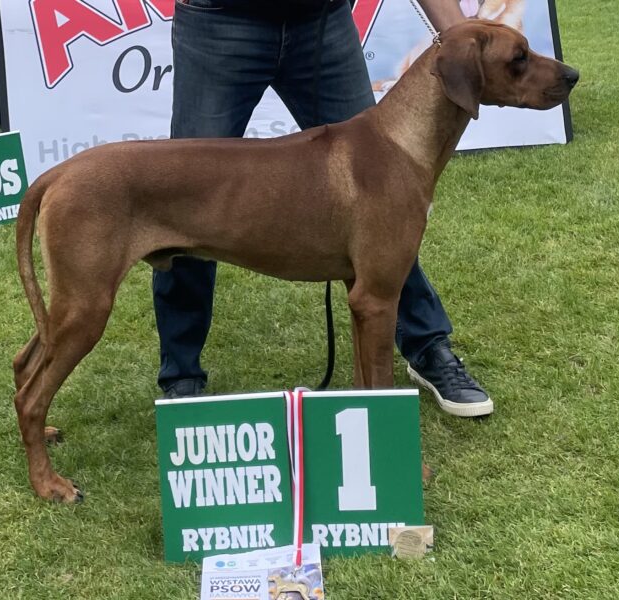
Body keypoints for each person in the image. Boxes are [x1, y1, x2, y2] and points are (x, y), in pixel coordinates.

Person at [153, 0, 493, 417]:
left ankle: (427, 347)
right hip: (219, 20)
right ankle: (182, 377)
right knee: (188, 200)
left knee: (385, 202)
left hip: (321, 21)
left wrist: (458, 34)